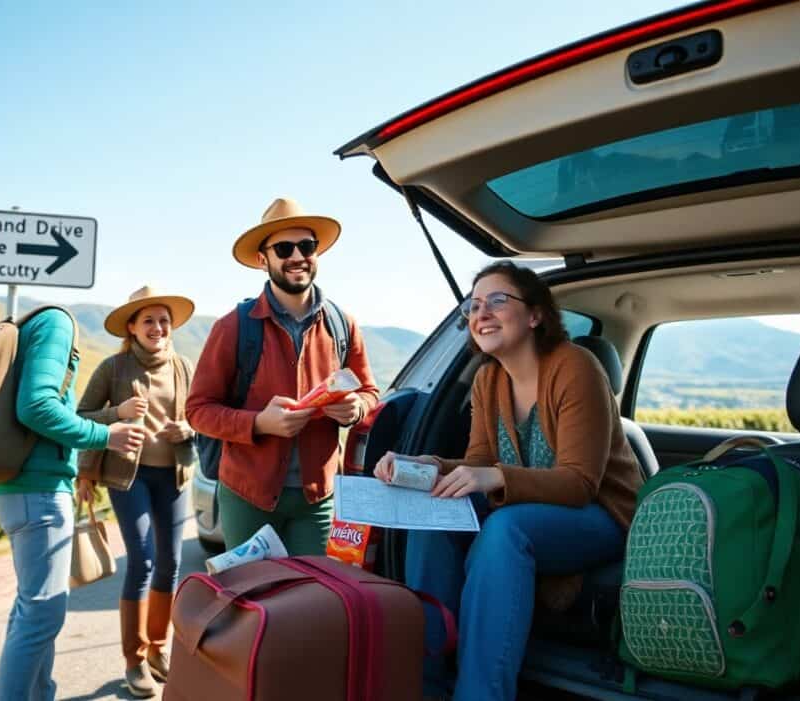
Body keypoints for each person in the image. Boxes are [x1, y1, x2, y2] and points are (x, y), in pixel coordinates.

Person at [375, 261, 642, 701]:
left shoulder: (575, 367)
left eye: (498, 300)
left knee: (505, 529)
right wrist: (427, 464)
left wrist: (494, 475)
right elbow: (480, 460)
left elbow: (579, 484)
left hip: (604, 517)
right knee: (437, 509)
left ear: (536, 314)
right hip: (533, 509)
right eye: (474, 305)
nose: (481, 313)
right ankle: (424, 684)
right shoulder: (487, 378)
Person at [187, 197, 380, 556]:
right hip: (248, 497)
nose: (297, 256)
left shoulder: (343, 325)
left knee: (310, 601)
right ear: (264, 260)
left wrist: (354, 409)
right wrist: (259, 423)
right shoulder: (233, 327)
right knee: (254, 600)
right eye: (283, 248)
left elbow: (369, 391)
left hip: (318, 499)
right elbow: (198, 410)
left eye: (306, 246)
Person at [0, 308, 144, 701]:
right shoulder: (57, 322)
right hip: (39, 490)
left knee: (32, 609)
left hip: (18, 487)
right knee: (42, 613)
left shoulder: (24, 327)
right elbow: (36, 406)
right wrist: (104, 434)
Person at [76, 286, 198, 699]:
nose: (158, 327)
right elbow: (82, 417)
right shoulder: (113, 367)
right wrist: (117, 414)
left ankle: (159, 649)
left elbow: (200, 413)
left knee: (171, 563)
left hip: (175, 476)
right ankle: (135, 659)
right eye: (148, 320)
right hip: (130, 480)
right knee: (143, 560)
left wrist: (189, 428)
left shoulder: (183, 367)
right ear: (131, 327)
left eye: (163, 320)